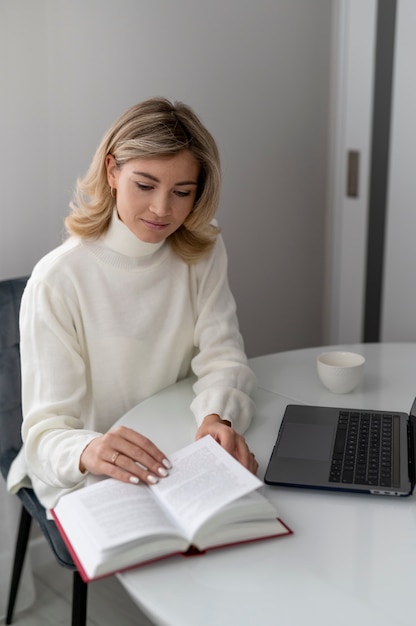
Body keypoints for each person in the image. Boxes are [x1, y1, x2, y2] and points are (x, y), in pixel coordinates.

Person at [7, 97, 258, 513]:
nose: (162, 209)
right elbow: (46, 434)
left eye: (182, 192)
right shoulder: (58, 279)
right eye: (145, 185)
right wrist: (92, 449)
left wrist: (218, 416)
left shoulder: (203, 250)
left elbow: (224, 357)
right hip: (93, 467)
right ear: (112, 171)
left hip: (179, 448)